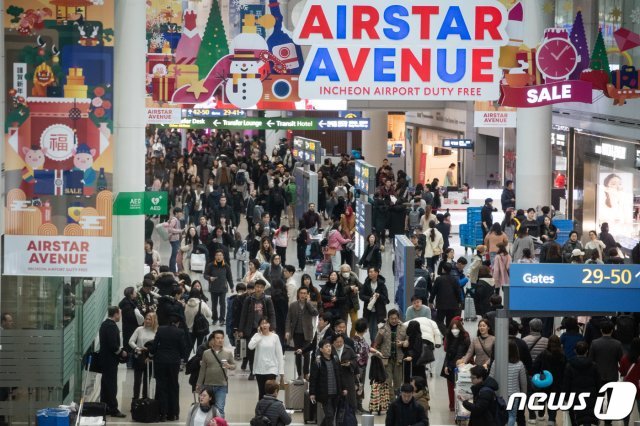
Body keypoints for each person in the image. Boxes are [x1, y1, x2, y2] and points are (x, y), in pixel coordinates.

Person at [151, 315, 188, 422]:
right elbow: (183, 348)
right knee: (173, 386)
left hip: (160, 361)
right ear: (177, 323)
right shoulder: (180, 332)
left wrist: (151, 354)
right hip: (173, 362)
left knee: (161, 386)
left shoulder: (161, 329)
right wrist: (181, 357)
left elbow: (154, 346)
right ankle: (173, 414)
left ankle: (162, 413)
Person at [238, 279, 276, 380]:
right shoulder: (248, 300)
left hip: (263, 329)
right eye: (257, 286)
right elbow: (243, 315)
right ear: (254, 287)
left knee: (263, 350)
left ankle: (262, 370)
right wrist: (241, 329)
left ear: (263, 289)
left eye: (261, 287)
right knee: (251, 351)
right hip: (251, 329)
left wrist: (272, 328)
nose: (258, 289)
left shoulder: (267, 300)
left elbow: (272, 314)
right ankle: (252, 371)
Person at [589, 320, 623, 426]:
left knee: (598, 397)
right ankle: (608, 421)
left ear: (601, 330)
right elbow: (620, 360)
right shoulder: (617, 344)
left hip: (598, 376)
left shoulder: (594, 343)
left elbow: (591, 360)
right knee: (611, 398)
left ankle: (597, 418)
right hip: (612, 375)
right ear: (612, 331)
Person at [196, 331, 235, 417]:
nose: (220, 340)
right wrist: (199, 384)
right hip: (208, 385)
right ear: (213, 340)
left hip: (221, 385)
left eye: (222, 338)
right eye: (217, 338)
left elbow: (234, 366)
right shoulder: (206, 353)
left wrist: (229, 366)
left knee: (220, 408)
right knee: (206, 407)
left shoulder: (228, 353)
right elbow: (202, 370)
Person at [309, 339, 347, 426]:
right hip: (324, 394)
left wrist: (344, 388)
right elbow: (313, 379)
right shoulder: (318, 362)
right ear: (321, 350)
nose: (329, 348)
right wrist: (312, 393)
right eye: (326, 347)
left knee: (331, 415)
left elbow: (341, 375)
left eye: (329, 346)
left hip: (336, 392)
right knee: (329, 415)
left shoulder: (335, 360)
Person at [563, 341, 601, 426]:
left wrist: (566, 397)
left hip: (575, 397)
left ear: (575, 351)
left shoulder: (569, 365)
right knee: (589, 417)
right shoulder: (593, 365)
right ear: (587, 351)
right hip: (591, 396)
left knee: (576, 418)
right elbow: (598, 382)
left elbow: (566, 383)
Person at [373, 310, 408, 401]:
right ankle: (392, 401)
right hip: (386, 360)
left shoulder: (404, 328)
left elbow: (408, 341)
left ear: (398, 318)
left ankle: (397, 397)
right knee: (387, 382)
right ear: (388, 318)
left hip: (398, 359)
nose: (394, 320)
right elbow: (377, 343)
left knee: (398, 381)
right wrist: (380, 334)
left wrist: (403, 343)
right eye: (392, 318)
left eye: (396, 318)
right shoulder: (383, 328)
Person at [490, 340, 526, 426]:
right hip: (514, 394)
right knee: (512, 415)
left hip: (499, 394)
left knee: (499, 415)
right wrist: (524, 394)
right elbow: (523, 382)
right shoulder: (519, 364)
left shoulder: (496, 362)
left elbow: (491, 377)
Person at [531, 335, 566, 424]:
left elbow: (535, 366)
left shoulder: (543, 354)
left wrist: (538, 374)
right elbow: (565, 371)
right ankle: (551, 419)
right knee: (553, 402)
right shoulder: (562, 356)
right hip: (556, 384)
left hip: (543, 383)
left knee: (542, 399)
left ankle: (541, 413)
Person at [99, 306, 127, 417]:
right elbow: (113, 346)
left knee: (105, 384)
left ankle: (104, 407)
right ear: (115, 314)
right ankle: (113, 409)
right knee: (111, 385)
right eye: (119, 314)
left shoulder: (104, 324)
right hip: (110, 361)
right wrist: (121, 353)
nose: (120, 316)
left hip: (104, 360)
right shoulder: (111, 326)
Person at [286, 287, 319, 378]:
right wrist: (287, 330)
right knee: (298, 353)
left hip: (307, 333)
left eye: (305, 293)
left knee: (307, 353)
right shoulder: (293, 305)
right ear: (298, 294)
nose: (303, 295)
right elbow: (288, 319)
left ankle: (306, 373)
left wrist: (308, 303)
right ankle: (299, 373)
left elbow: (315, 313)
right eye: (301, 293)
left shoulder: (311, 304)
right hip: (296, 333)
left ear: (307, 294)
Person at [248, 317, 284, 400]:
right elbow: (250, 347)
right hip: (259, 369)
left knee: (271, 391)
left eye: (266, 323)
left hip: (272, 368)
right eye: (262, 323)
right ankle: (261, 411)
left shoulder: (275, 337)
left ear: (269, 325)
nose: (264, 325)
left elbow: (279, 354)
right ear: (259, 326)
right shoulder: (257, 336)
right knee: (262, 392)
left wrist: (281, 371)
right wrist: (259, 336)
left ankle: (271, 410)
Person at [441, 318, 470, 412]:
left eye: (456, 328)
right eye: (453, 328)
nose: (454, 330)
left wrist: (463, 361)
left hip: (462, 366)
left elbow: (469, 352)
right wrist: (446, 365)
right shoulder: (449, 337)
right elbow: (447, 353)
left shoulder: (465, 337)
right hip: (450, 365)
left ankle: (462, 406)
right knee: (450, 386)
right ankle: (452, 405)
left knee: (462, 387)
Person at [129, 312, 158, 400]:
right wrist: (137, 348)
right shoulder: (139, 329)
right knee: (137, 380)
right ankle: (136, 399)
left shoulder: (157, 331)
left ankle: (145, 398)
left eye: (149, 319)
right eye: (146, 318)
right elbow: (131, 341)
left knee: (147, 380)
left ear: (154, 321)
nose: (147, 320)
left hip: (149, 357)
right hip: (139, 355)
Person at [429, 263, 462, 333]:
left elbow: (433, 291)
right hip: (453, 304)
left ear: (443, 269)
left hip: (441, 305)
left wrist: (430, 301)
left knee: (439, 321)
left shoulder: (439, 279)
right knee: (450, 322)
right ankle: (448, 336)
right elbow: (458, 292)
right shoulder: (454, 279)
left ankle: (446, 334)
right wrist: (459, 302)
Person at [203, 249, 234, 326]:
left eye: (220, 255)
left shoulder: (226, 266)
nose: (219, 257)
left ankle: (222, 319)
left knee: (222, 304)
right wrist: (209, 278)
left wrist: (232, 286)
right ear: (215, 256)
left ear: (223, 256)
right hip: (213, 288)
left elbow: (229, 277)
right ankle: (214, 318)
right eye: (217, 255)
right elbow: (205, 275)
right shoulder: (211, 265)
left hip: (223, 288)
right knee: (214, 305)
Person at [360, 267, 389, 342]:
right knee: (370, 328)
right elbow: (361, 295)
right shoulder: (366, 283)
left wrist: (379, 296)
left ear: (377, 273)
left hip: (379, 311)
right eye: (369, 272)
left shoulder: (381, 284)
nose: (370, 273)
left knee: (378, 328)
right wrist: (369, 298)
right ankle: (374, 343)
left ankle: (375, 343)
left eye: (372, 272)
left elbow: (386, 298)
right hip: (369, 310)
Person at [333, 333, 358, 410]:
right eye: (337, 342)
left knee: (349, 398)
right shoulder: (330, 350)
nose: (339, 344)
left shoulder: (349, 349)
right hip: (335, 377)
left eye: (341, 341)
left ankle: (350, 413)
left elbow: (355, 360)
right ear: (333, 342)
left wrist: (349, 363)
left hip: (347, 376)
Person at [119, 286, 143, 368]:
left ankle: (132, 363)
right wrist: (141, 312)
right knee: (129, 345)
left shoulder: (132, 302)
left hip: (132, 328)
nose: (136, 293)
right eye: (135, 292)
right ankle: (129, 364)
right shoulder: (127, 305)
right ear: (131, 294)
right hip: (129, 329)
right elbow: (132, 317)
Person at [620, 337, 640, 426]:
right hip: (639, 387)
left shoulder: (625, 358)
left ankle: (626, 424)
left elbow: (622, 372)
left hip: (628, 387)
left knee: (627, 409)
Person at [352, 318, 370, 413]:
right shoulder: (355, 340)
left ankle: (359, 405)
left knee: (361, 385)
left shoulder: (362, 339)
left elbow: (367, 349)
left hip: (363, 366)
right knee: (357, 385)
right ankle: (355, 406)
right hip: (358, 367)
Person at [339, 264, 361, 336]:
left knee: (355, 322)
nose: (345, 273)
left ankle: (352, 338)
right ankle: (344, 338)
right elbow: (341, 291)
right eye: (343, 271)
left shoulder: (353, 278)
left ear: (350, 271)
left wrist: (357, 288)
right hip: (343, 306)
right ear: (341, 272)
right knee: (343, 324)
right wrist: (350, 288)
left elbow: (362, 287)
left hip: (353, 306)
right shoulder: (338, 280)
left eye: (347, 271)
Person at [167, 208, 184, 272]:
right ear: (176, 213)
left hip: (175, 239)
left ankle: (172, 269)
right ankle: (172, 270)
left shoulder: (177, 220)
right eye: (180, 212)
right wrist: (180, 231)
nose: (181, 214)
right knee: (174, 255)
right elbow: (170, 229)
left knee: (174, 255)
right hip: (174, 240)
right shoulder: (174, 220)